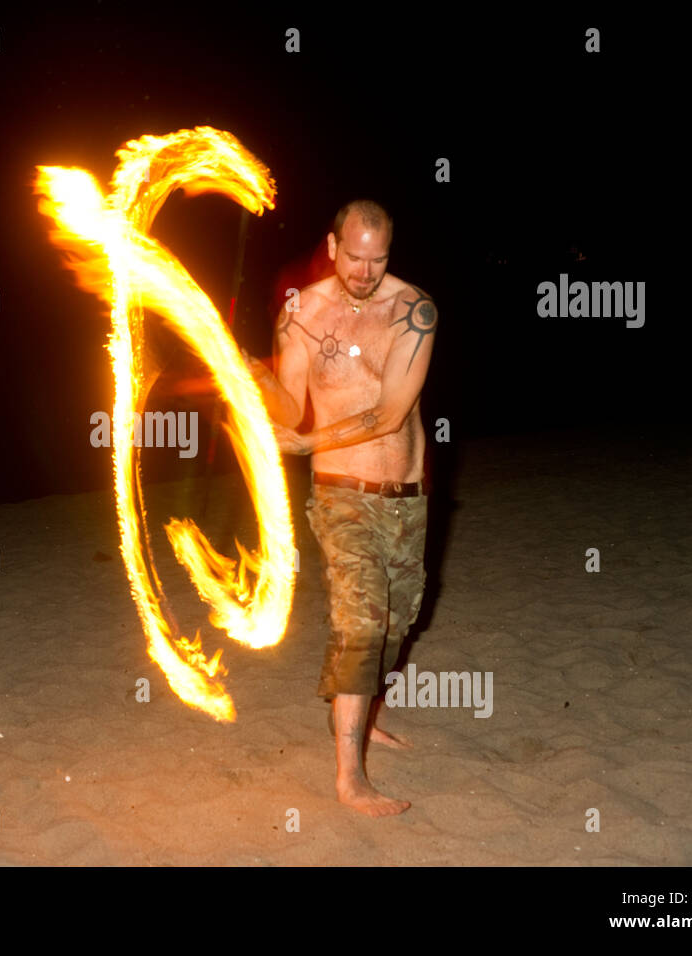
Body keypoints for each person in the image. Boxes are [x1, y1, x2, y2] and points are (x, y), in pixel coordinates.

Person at [246, 199, 437, 816]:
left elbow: (389, 413)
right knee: (360, 625)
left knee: (396, 622)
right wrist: (254, 375)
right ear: (332, 247)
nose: (364, 270)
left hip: (407, 497)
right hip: (339, 495)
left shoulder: (414, 311)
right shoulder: (302, 314)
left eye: (377, 258)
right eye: (354, 256)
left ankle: (362, 717)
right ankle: (348, 775)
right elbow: (290, 408)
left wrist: (305, 441)